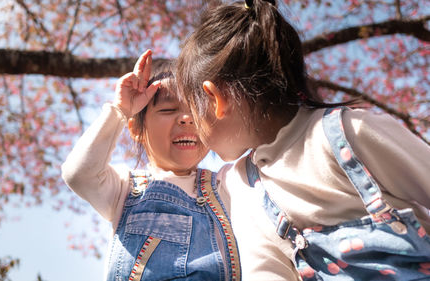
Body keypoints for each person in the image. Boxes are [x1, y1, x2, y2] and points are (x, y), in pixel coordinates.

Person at [175, 0, 430, 280]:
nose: (191, 125)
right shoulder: (243, 185)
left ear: (215, 99)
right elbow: (268, 273)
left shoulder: (347, 132)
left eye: (192, 109)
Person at [61, 50, 241, 281]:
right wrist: (120, 111)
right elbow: (78, 174)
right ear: (136, 129)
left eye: (196, 112)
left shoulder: (226, 184)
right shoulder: (124, 188)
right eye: (168, 110)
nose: (186, 119)